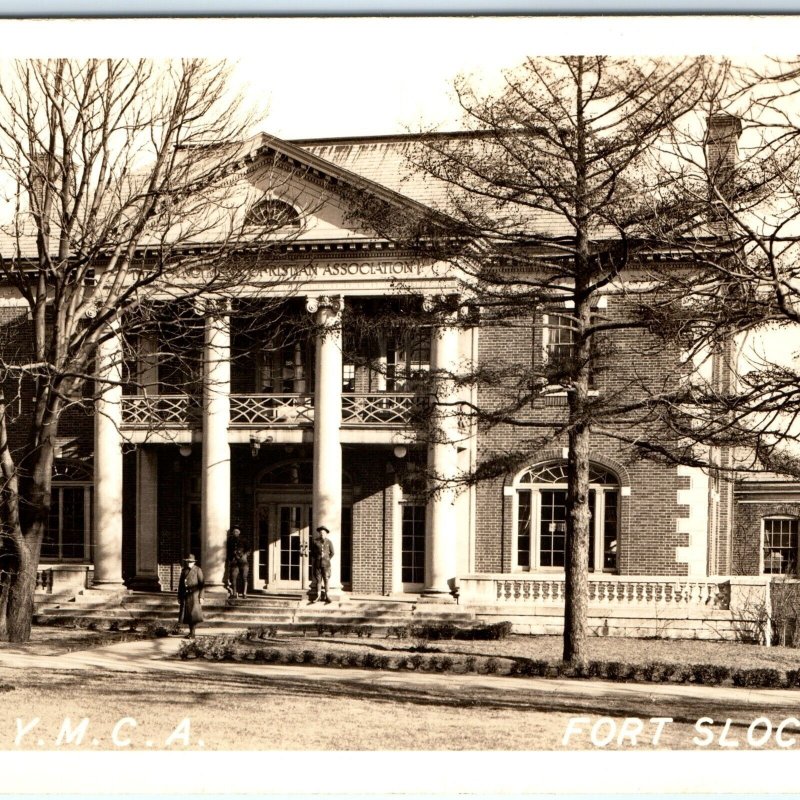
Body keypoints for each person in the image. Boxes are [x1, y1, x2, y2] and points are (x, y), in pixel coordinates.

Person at [177, 554, 204, 638]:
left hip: (195, 595)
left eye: (191, 562)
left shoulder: (198, 570)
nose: (189, 563)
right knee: (187, 614)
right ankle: (191, 632)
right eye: (188, 562)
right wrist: (179, 596)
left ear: (194, 562)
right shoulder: (184, 571)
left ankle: (193, 633)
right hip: (186, 595)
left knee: (194, 614)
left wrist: (201, 597)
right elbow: (180, 585)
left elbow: (202, 585)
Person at [310, 525, 334, 604]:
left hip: (326, 565)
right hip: (317, 564)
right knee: (318, 580)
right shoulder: (315, 541)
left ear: (326, 534)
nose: (322, 534)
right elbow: (312, 553)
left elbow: (332, 553)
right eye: (321, 533)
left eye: (323, 533)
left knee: (326, 579)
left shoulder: (329, 542)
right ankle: (318, 595)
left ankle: (327, 596)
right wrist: (318, 558)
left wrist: (327, 559)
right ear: (319, 533)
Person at [226, 526, 251, 599]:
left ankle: (244, 593)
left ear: (239, 532)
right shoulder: (230, 540)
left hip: (243, 561)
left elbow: (249, 550)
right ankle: (234, 593)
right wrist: (231, 557)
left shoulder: (244, 540)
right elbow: (228, 551)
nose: (235, 533)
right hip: (234, 561)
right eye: (234, 532)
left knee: (244, 577)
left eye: (236, 531)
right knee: (233, 577)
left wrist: (244, 556)